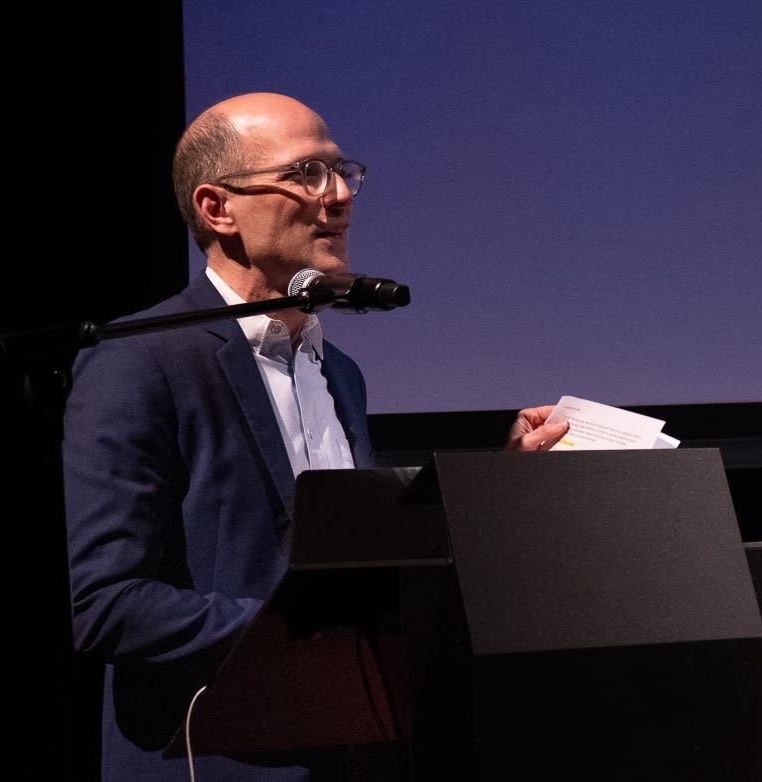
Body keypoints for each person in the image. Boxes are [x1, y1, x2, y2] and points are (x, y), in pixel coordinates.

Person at [61, 91, 570, 782]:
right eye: (306, 175)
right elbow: (109, 607)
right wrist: (302, 637)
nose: (337, 196)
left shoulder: (341, 372)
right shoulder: (138, 362)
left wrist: (497, 485)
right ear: (217, 208)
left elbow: (359, 563)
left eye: (341, 172)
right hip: (215, 760)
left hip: (352, 750)